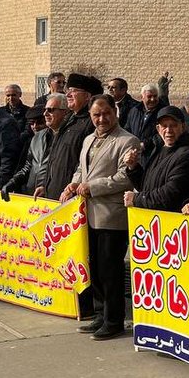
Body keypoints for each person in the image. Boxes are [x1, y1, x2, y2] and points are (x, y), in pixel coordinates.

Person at [62, 95, 140, 340]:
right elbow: (80, 169)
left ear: (115, 112)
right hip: (88, 215)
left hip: (111, 216)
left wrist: (91, 187)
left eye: (106, 113)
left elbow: (125, 177)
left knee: (110, 269)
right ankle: (99, 314)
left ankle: (114, 319)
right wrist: (73, 185)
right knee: (94, 267)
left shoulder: (127, 140)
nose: (102, 119)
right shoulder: (88, 139)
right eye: (96, 115)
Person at [123, 106, 189, 213]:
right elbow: (146, 186)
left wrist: (137, 199)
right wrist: (133, 167)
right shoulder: (159, 148)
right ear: (158, 129)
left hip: (173, 222)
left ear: (183, 127)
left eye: (173, 125)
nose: (169, 130)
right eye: (164, 126)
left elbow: (170, 194)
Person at [38, 73, 99, 202]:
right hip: (54, 191)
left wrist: (72, 189)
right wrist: (45, 185)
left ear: (87, 96)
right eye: (67, 91)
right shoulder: (69, 118)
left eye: (73, 91)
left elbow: (85, 162)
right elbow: (55, 156)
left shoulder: (90, 123)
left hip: (71, 195)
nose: (68, 95)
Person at [7, 95, 66, 197]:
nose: (45, 114)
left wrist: (46, 187)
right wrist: (13, 182)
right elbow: (29, 166)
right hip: (32, 195)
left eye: (50, 110)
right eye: (45, 110)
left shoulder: (69, 137)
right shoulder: (38, 136)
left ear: (65, 112)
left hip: (53, 196)